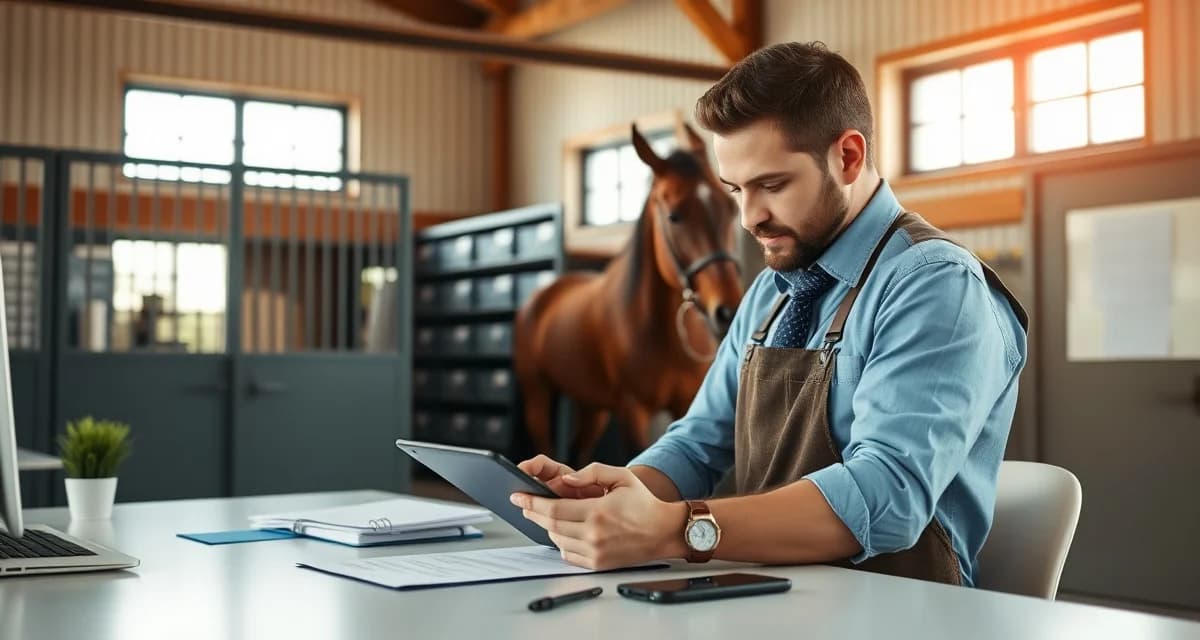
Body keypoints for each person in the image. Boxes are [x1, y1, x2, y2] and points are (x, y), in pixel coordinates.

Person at [510, 41, 1028, 587]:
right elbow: (698, 441)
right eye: (734, 190)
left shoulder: (934, 284)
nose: (749, 218)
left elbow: (888, 495)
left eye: (772, 186)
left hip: (897, 609)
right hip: (775, 595)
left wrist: (674, 529)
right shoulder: (769, 293)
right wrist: (621, 495)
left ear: (848, 157)